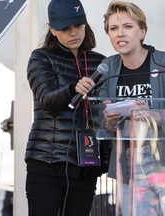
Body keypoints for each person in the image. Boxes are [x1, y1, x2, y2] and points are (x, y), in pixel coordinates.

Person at [98, 1, 165, 215]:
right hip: (130, 167)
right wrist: (109, 121)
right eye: (113, 29)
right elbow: (102, 121)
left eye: (128, 26)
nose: (120, 34)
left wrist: (154, 114)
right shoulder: (108, 68)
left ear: (142, 31)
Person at [24, 0, 109, 215]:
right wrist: (73, 88)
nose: (74, 33)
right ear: (52, 29)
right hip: (47, 162)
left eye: (78, 26)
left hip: (86, 165)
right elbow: (47, 99)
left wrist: (103, 161)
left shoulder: (100, 62)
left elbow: (103, 116)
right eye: (65, 28)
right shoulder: (41, 57)